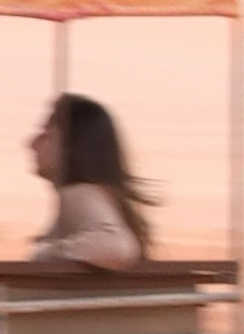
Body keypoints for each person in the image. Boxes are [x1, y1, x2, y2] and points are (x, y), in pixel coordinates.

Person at [29, 91, 153, 267]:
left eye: (45, 134)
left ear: (70, 145)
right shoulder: (101, 196)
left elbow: (115, 247)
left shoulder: (77, 194)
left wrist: (45, 253)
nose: (31, 143)